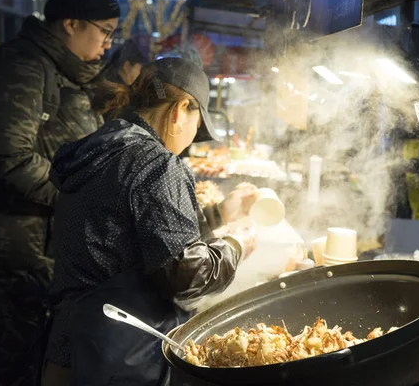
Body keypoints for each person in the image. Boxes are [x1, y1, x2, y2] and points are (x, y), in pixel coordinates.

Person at [41, 57, 258, 386]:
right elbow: (185, 276)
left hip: (67, 349)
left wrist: (218, 216)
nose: (189, 141)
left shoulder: (101, 147)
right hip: (117, 357)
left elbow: (135, 235)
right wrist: (236, 244)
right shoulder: (157, 163)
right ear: (180, 109)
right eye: (196, 127)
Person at [0, 0, 120, 384]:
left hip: (36, 263)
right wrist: (83, 195)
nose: (108, 43)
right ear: (70, 23)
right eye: (104, 31)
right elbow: (8, 158)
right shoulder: (20, 66)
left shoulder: (68, 75)